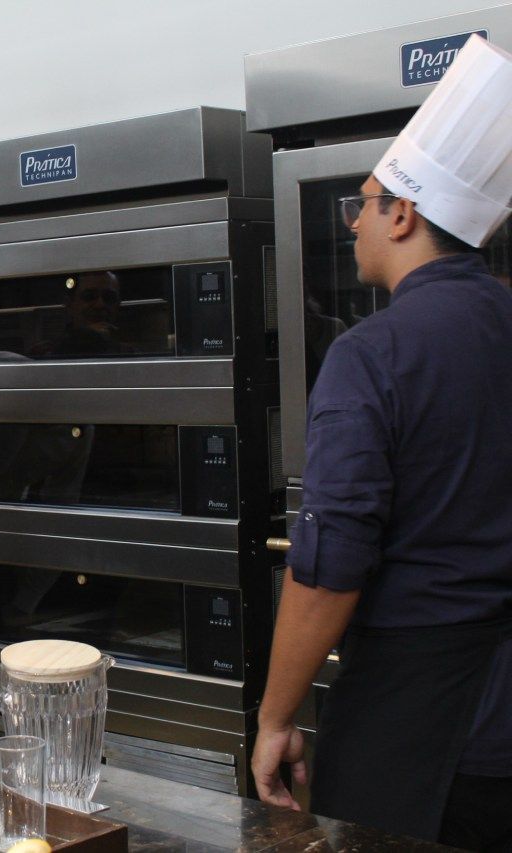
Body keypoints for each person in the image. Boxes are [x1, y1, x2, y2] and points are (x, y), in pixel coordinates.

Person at [251, 36, 512, 849]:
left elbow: (330, 568)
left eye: (362, 203)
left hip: (426, 719)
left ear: (403, 214)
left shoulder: (371, 354)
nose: (355, 220)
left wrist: (274, 716)